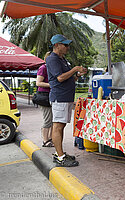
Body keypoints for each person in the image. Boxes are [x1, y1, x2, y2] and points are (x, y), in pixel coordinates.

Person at [46, 34, 87, 167]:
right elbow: (60, 78)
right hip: (60, 97)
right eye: (65, 45)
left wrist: (77, 75)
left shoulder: (62, 59)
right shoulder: (52, 59)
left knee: (61, 125)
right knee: (58, 126)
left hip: (66, 97)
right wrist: (75, 69)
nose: (68, 47)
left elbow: (68, 78)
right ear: (57, 45)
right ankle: (60, 157)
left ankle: (60, 153)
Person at [36, 52, 53, 147]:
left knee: (53, 119)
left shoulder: (52, 68)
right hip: (44, 97)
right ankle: (45, 140)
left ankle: (50, 138)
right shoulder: (43, 68)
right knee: (47, 119)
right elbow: (38, 83)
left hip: (52, 96)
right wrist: (52, 85)